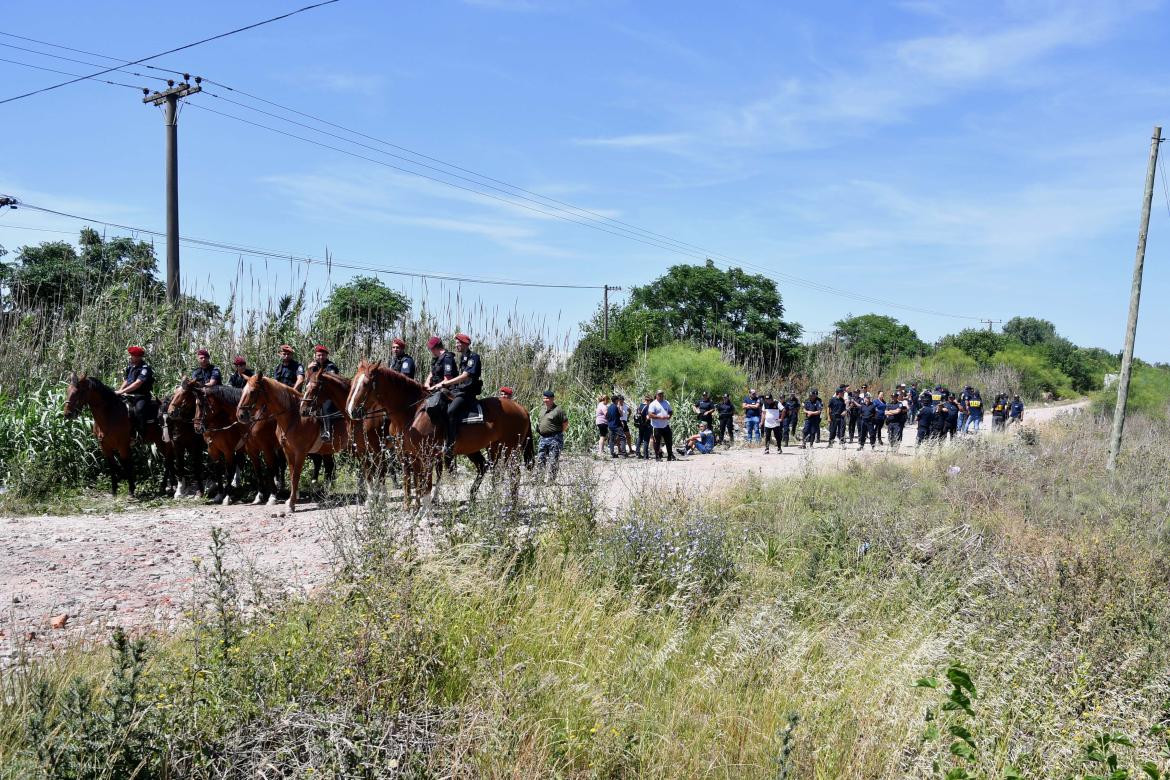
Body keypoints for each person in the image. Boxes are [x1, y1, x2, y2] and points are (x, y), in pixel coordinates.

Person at [435, 333, 482, 457]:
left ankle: (450, 444)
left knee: (451, 411)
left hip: (467, 392)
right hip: (458, 390)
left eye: (458, 343)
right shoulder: (462, 358)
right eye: (456, 343)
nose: (456, 345)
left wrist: (446, 383)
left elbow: (466, 376)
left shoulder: (474, 357)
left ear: (466, 344)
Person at [115, 345, 155, 438]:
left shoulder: (145, 368)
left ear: (138, 357)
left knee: (139, 410)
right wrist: (120, 391)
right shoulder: (130, 366)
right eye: (131, 355)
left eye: (132, 355)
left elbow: (137, 383)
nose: (131, 357)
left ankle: (141, 434)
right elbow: (127, 380)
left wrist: (121, 392)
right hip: (129, 394)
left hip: (141, 395)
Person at [306, 345, 341, 442]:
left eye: (323, 355)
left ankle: (327, 431)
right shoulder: (313, 366)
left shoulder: (331, 366)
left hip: (328, 395)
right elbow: (308, 382)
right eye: (319, 355)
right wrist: (308, 370)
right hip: (315, 394)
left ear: (327, 356)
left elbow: (333, 382)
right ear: (315, 356)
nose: (321, 357)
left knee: (326, 406)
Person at [535, 390, 568, 481]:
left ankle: (551, 480)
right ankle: (539, 479)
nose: (545, 400)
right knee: (541, 458)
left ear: (552, 399)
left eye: (547, 398)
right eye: (544, 398)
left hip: (555, 438)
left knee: (553, 459)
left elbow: (565, 423)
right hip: (543, 438)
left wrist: (559, 433)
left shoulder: (558, 410)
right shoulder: (542, 409)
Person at [648, 389, 675, 461]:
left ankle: (670, 456)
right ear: (656, 395)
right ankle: (657, 457)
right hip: (656, 426)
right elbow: (650, 415)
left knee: (669, 441)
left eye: (662, 394)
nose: (661, 396)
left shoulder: (666, 402)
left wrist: (669, 415)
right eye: (659, 395)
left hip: (665, 425)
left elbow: (670, 411)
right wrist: (659, 417)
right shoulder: (653, 404)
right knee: (657, 442)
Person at [635, 394, 654, 459]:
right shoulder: (648, 407)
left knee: (640, 438)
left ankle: (637, 453)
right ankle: (645, 455)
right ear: (648, 400)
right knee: (646, 440)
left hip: (640, 425)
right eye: (651, 401)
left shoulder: (640, 405)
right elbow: (647, 417)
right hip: (646, 425)